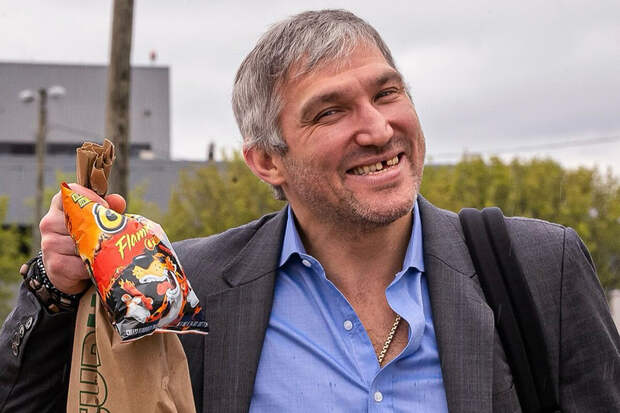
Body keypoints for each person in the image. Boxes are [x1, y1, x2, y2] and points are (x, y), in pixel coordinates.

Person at [1, 9, 619, 413]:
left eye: (387, 93)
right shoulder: (189, 292)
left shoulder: (539, 267)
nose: (378, 129)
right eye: (331, 112)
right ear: (267, 160)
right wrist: (54, 289)